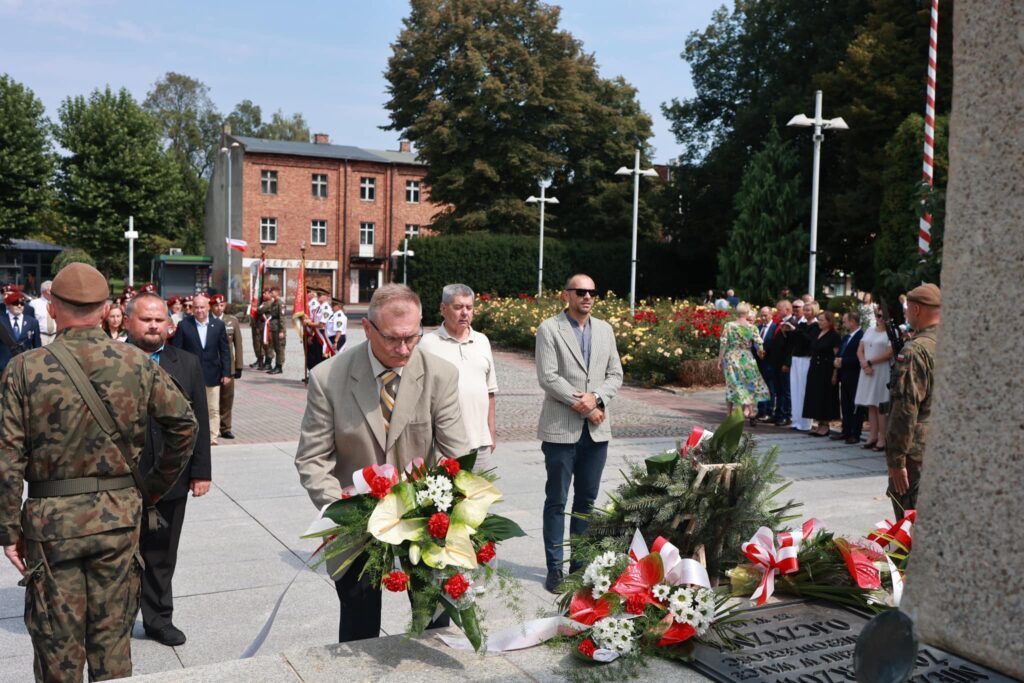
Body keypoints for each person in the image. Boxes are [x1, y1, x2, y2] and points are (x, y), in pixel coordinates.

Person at [1, 263, 197, 682]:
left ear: (52, 309)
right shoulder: (135, 362)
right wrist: (154, 490)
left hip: (51, 527)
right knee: (112, 647)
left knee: (57, 650)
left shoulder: (24, 369)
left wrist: (7, 529)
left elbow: (7, 458)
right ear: (107, 308)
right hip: (118, 519)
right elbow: (185, 425)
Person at [294, 284, 468, 643]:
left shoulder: (441, 375)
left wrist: (441, 505)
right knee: (358, 627)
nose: (403, 348)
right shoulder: (328, 378)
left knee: (433, 620)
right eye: (392, 339)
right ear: (368, 328)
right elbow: (312, 458)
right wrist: (343, 507)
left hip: (424, 520)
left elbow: (457, 456)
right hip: (356, 524)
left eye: (412, 337)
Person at [125, 293, 211, 647]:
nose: (153, 325)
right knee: (120, 556)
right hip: (121, 479)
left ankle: (159, 619)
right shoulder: (110, 361)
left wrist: (201, 471)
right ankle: (116, 622)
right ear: (128, 320)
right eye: (146, 319)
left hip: (171, 479)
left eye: (159, 319)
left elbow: (199, 421)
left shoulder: (187, 363)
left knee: (161, 554)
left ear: (169, 323)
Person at [535, 274, 623, 593]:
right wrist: (585, 405)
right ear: (567, 295)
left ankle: (581, 565)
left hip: (597, 433)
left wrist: (597, 398)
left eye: (592, 292)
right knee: (557, 500)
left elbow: (616, 374)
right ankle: (555, 568)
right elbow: (548, 377)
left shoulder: (605, 330)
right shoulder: (549, 329)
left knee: (586, 500)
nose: (587, 297)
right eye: (581, 292)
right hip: (561, 430)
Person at [419, 283, 499, 469]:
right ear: (443, 309)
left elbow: (490, 392)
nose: (465, 313)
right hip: (443, 446)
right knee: (449, 498)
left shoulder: (482, 341)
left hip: (480, 445)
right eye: (458, 307)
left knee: (483, 498)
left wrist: (491, 433)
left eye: (469, 307)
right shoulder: (427, 345)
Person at [886, 283, 941, 517]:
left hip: (917, 450)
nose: (906, 314)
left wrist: (897, 460)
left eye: (908, 309)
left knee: (909, 522)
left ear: (917, 310)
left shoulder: (915, 351)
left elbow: (905, 409)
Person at [170, 294, 232, 446]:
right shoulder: (185, 325)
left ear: (208, 307)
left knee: (213, 408)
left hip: (212, 373)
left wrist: (226, 373)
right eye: (196, 307)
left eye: (202, 307)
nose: (199, 310)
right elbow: (177, 350)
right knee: (192, 407)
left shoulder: (218, 325)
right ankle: (194, 435)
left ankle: (212, 436)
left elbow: (224, 350)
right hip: (191, 375)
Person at [718, 302, 770, 425]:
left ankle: (729, 415)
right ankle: (750, 412)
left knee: (732, 385)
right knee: (749, 384)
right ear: (747, 313)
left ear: (737, 312)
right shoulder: (752, 327)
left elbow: (723, 343)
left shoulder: (729, 326)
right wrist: (760, 353)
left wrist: (719, 360)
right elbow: (759, 343)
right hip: (747, 358)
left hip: (731, 357)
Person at [855, 306, 893, 452]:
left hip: (881, 371)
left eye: (883, 316)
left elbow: (889, 353)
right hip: (867, 370)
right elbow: (860, 349)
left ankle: (882, 439)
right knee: (870, 404)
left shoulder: (890, 333)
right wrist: (864, 364)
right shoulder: (870, 330)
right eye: (878, 315)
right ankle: (872, 436)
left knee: (880, 406)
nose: (880, 318)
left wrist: (870, 362)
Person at [803, 311, 842, 437]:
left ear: (829, 322)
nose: (819, 322)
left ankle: (826, 425)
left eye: (822, 320)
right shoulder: (818, 333)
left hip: (827, 369)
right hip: (815, 368)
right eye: (818, 320)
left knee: (825, 396)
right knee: (815, 396)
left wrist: (835, 373)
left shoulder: (834, 336)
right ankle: (819, 423)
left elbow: (837, 355)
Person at [211, 294, 244, 440]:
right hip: (211, 366)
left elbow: (238, 344)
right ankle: (213, 427)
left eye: (221, 305)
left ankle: (226, 427)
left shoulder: (232, 321)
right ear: (211, 306)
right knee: (212, 399)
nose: (219, 308)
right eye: (216, 305)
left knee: (226, 398)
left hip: (228, 367)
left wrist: (239, 366)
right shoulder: (207, 320)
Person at [831, 311, 864, 444]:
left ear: (853, 322)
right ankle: (846, 431)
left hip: (855, 375)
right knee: (845, 405)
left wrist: (843, 362)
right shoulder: (846, 337)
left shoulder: (862, 336)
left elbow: (860, 357)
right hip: (844, 375)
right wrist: (836, 362)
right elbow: (840, 353)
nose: (843, 324)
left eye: (845, 321)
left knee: (855, 406)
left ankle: (855, 433)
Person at [787, 300, 816, 431]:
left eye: (808, 310)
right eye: (805, 310)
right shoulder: (802, 324)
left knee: (804, 390)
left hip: (806, 358)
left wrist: (796, 330)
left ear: (814, 311)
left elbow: (810, 341)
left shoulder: (816, 326)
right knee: (795, 390)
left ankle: (805, 423)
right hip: (796, 358)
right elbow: (795, 341)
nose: (806, 312)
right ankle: (796, 420)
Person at [766, 300, 794, 426]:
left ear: (787, 310)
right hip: (776, 363)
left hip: (784, 363)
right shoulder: (780, 323)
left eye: (779, 310)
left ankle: (786, 415)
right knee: (778, 390)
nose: (777, 312)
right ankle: (778, 414)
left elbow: (791, 347)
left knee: (785, 391)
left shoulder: (792, 323)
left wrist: (787, 363)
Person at [1, 291, 41, 375]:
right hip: (3, 366)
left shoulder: (32, 322)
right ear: (8, 305)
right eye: (15, 303)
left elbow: (37, 346)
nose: (19, 306)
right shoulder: (1, 321)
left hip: (25, 366)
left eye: (22, 303)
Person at [754, 306, 776, 422]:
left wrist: (766, 352)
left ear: (771, 314)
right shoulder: (758, 328)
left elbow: (775, 344)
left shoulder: (774, 327)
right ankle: (761, 410)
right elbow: (755, 343)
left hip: (770, 362)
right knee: (760, 387)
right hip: (759, 362)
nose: (763, 317)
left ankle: (769, 411)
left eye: (765, 315)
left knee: (770, 388)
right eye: (761, 315)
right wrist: (757, 351)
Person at [259, 287, 285, 374]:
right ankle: (275, 366)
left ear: (277, 292)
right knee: (275, 347)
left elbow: (282, 318)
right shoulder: (274, 303)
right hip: (273, 328)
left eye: (272, 292)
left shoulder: (280, 303)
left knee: (279, 348)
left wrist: (282, 331)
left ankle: (279, 366)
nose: (271, 293)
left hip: (278, 328)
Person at [29, 281, 56, 346]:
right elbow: (30, 320)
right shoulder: (34, 303)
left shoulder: (57, 303)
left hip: (55, 336)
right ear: (43, 292)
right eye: (50, 291)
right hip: (41, 336)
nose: (53, 293)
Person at [250, 290, 270, 371]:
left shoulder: (268, 303)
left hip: (263, 326)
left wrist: (257, 308)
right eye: (262, 293)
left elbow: (259, 310)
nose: (263, 294)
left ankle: (264, 362)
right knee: (256, 344)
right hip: (257, 325)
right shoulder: (262, 302)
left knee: (262, 345)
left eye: (265, 293)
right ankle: (259, 360)